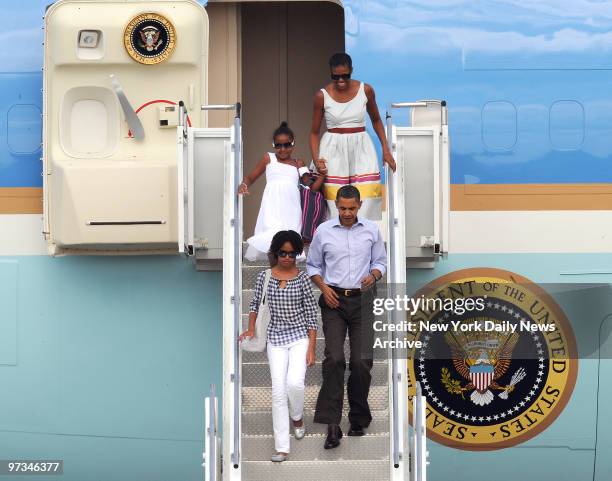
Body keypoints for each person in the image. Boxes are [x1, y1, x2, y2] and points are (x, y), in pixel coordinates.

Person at [306, 185, 386, 449]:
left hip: (362, 299)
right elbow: (312, 265)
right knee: (334, 359)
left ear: (360, 205)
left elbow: (381, 262)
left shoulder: (372, 230)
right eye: (342, 208)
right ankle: (332, 425)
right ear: (336, 206)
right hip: (334, 300)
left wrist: (373, 275)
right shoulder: (323, 231)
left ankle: (358, 418)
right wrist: (324, 288)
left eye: (352, 208)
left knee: (362, 361)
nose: (347, 213)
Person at [239, 230, 318, 462]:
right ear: (275, 253)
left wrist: (312, 348)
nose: (287, 258)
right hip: (275, 338)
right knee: (277, 392)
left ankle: (297, 417)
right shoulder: (264, 277)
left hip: (299, 338)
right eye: (283, 253)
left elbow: (312, 315)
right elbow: (255, 305)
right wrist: (251, 328)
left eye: (292, 254)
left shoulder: (303, 278)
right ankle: (282, 447)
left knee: (294, 383)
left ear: (297, 255)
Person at [309, 52, 396, 221]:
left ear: (352, 71)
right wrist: (316, 158)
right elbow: (313, 132)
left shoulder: (366, 90)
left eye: (345, 76)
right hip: (332, 149)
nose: (341, 80)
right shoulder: (322, 96)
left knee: (366, 197)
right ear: (330, 73)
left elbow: (376, 120)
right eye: (336, 77)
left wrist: (386, 149)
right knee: (334, 203)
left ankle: (363, 239)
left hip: (361, 146)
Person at [240, 122, 319, 261]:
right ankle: (273, 274)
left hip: (291, 208)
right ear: (273, 145)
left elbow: (310, 186)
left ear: (293, 144)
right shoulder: (268, 158)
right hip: (272, 206)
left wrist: (322, 174)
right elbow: (251, 177)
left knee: (290, 242)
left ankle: (289, 278)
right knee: (271, 238)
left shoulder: (298, 163)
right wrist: (244, 185)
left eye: (287, 145)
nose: (283, 149)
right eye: (278, 145)